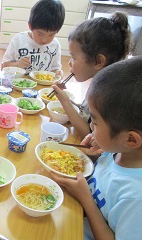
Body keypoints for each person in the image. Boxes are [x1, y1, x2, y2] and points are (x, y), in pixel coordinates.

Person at [51, 56, 142, 240]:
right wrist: (93, 156)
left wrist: (86, 198)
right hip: (72, 212)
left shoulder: (135, 198)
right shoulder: (117, 150)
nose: (91, 126)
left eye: (95, 122)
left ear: (131, 139)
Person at [51, 12, 131, 139]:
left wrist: (65, 102)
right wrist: (67, 100)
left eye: (73, 57)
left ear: (98, 61)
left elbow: (89, 133)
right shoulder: (100, 81)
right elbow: (85, 114)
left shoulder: (107, 93)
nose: (69, 62)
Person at [1, 0, 65, 77]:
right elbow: (3, 67)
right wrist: (18, 64)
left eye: (51, 35)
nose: (45, 40)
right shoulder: (18, 40)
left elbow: (55, 70)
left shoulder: (55, 45)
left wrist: (58, 73)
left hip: (42, 88)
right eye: (40, 34)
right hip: (19, 85)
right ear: (30, 26)